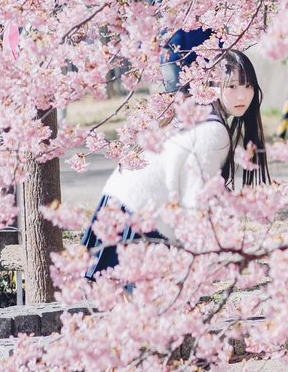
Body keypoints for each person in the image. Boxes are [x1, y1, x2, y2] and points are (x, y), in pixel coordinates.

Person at [82, 50, 270, 280]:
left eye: (248, 86)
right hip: (142, 210)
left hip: (122, 199)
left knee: (131, 302)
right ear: (211, 86)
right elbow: (195, 200)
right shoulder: (213, 131)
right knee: (149, 301)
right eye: (231, 86)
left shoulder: (194, 113)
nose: (242, 95)